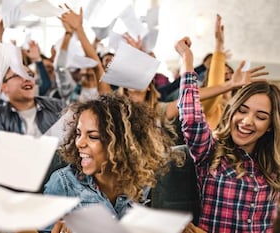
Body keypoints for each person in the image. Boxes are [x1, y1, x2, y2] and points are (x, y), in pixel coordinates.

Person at [175, 36, 280, 232]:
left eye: (260, 116)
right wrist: (186, 59)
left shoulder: (275, 165)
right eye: (242, 110)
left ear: (270, 126)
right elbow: (191, 118)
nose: (247, 121)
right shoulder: (211, 151)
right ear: (232, 111)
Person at [43, 93, 174, 231]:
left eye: (92, 137)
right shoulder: (63, 184)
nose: (79, 143)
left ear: (121, 144)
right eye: (78, 133)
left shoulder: (145, 182)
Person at [0, 65, 65, 147]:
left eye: (30, 75)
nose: (27, 78)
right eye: (18, 75)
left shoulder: (57, 106)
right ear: (4, 87)